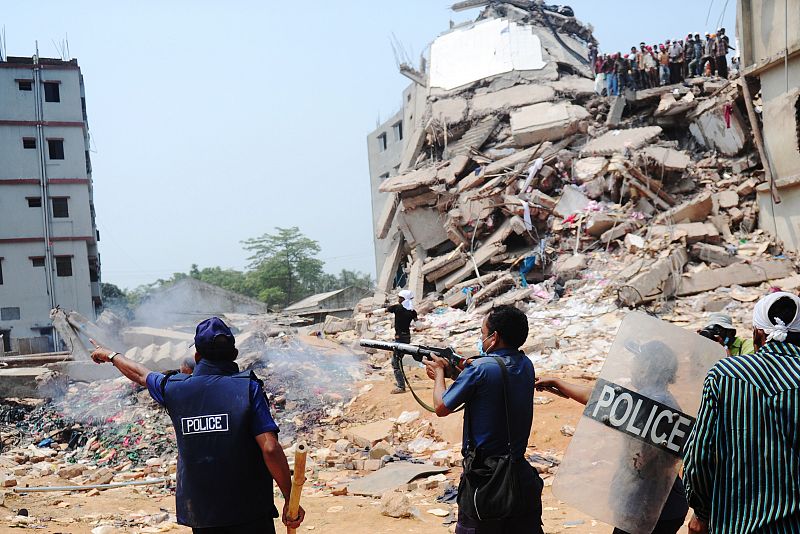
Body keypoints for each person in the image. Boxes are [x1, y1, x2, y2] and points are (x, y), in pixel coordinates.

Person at [89, 317, 305, 534]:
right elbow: (270, 447)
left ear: (197, 356)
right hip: (250, 513)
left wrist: (111, 355)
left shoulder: (174, 388)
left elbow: (141, 374)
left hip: (202, 515)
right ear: (234, 354)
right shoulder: (248, 388)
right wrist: (289, 498)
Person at [536, 341, 690, 534]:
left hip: (648, 506)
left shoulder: (649, 403)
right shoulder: (659, 399)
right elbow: (598, 398)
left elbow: (645, 459)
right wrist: (558, 383)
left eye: (637, 360)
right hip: (664, 504)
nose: (633, 366)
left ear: (646, 368)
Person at [683, 291, 800, 533]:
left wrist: (701, 513)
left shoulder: (724, 375)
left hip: (734, 524)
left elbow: (700, 455)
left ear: (758, 333)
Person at [424, 305, 544, 533]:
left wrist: (439, 374)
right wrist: (456, 374)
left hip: (486, 481)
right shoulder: (525, 364)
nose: (481, 339)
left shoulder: (479, 369)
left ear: (494, 337)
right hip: (519, 476)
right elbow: (491, 387)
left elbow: (441, 407)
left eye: (482, 333)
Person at [386, 289, 418, 394]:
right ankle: (401, 382)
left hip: (399, 339)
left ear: (403, 298)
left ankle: (401, 386)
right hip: (407, 338)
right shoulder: (412, 311)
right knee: (398, 361)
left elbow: (384, 310)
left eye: (400, 297)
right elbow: (418, 324)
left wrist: (371, 313)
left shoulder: (397, 308)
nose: (398, 299)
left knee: (395, 362)